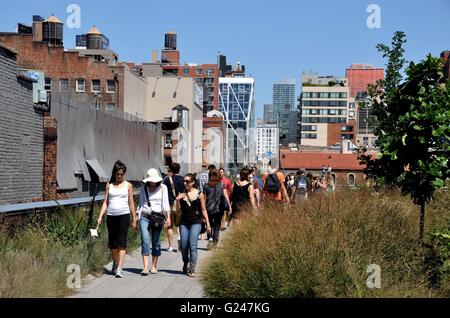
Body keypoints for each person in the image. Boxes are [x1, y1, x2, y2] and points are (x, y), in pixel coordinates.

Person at [97, 160, 137, 278]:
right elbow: (106, 202)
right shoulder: (109, 185)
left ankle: (119, 268)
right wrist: (100, 216)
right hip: (111, 216)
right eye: (118, 174)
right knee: (112, 244)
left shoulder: (128, 185)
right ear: (114, 173)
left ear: (124, 174)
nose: (119, 176)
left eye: (121, 174)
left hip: (124, 216)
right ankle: (115, 261)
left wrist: (134, 218)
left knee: (122, 242)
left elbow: (131, 203)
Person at [176, 173, 211, 277]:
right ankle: (185, 262)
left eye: (187, 181)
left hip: (196, 222)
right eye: (184, 181)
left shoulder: (199, 194)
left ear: (193, 182)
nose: (185, 183)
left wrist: (208, 224)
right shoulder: (181, 193)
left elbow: (203, 209)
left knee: (193, 245)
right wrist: (177, 200)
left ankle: (192, 269)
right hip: (184, 223)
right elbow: (177, 211)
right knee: (183, 246)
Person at [137, 168, 170, 275]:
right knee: (145, 240)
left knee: (156, 242)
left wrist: (168, 217)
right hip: (145, 216)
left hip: (158, 217)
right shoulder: (143, 189)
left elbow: (166, 204)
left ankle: (154, 266)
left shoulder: (163, 188)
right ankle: (145, 267)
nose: (153, 182)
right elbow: (141, 204)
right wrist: (137, 217)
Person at [202, 169, 231, 249]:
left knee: (209, 224)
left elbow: (204, 198)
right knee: (217, 225)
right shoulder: (221, 184)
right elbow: (226, 195)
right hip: (219, 208)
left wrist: (202, 209)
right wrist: (229, 206)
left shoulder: (206, 185)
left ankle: (210, 238)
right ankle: (215, 241)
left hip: (208, 209)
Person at [163, 163, 184, 252]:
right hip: (180, 205)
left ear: (171, 170)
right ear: (179, 169)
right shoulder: (184, 179)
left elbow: (163, 191)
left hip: (170, 205)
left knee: (170, 226)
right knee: (181, 225)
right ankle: (180, 238)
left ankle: (170, 246)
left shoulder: (167, 180)